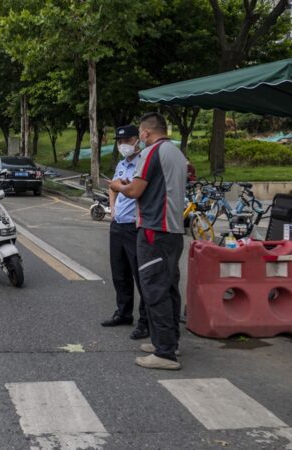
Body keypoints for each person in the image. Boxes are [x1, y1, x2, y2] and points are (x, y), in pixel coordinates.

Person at [110, 112, 186, 371]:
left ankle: (165, 353)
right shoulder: (177, 152)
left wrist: (118, 186)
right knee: (169, 288)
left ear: (144, 133)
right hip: (174, 230)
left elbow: (134, 191)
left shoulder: (152, 152)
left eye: (140, 134)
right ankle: (169, 342)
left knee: (154, 289)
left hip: (155, 229)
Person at [101, 124, 149, 341]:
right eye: (120, 142)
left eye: (127, 141)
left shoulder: (143, 164)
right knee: (119, 273)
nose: (123, 145)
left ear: (136, 140)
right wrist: (113, 210)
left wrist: (122, 188)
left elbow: (137, 190)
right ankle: (123, 312)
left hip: (134, 226)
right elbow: (114, 186)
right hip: (118, 224)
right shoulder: (121, 164)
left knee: (140, 275)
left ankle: (145, 321)